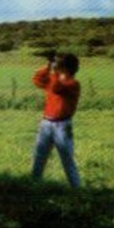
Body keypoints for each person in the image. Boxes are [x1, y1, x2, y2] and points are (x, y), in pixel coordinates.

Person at [30, 52, 82, 187]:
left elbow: (56, 88)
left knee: (67, 159)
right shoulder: (55, 78)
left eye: (59, 65)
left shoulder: (73, 84)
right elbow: (37, 79)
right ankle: (34, 183)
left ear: (66, 68)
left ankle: (76, 187)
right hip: (46, 123)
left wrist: (53, 72)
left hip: (62, 126)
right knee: (39, 156)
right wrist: (47, 67)